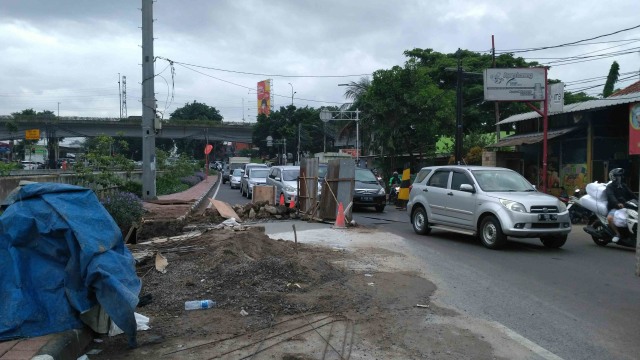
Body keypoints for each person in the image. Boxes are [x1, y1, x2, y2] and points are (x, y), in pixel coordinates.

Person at [605, 168, 637, 243]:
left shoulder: (623, 185)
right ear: (613, 177)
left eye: (620, 176)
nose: (619, 178)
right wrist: (617, 203)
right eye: (617, 176)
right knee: (610, 218)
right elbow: (611, 196)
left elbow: (632, 194)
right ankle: (617, 234)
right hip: (614, 207)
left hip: (625, 206)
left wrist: (638, 199)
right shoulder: (610, 187)